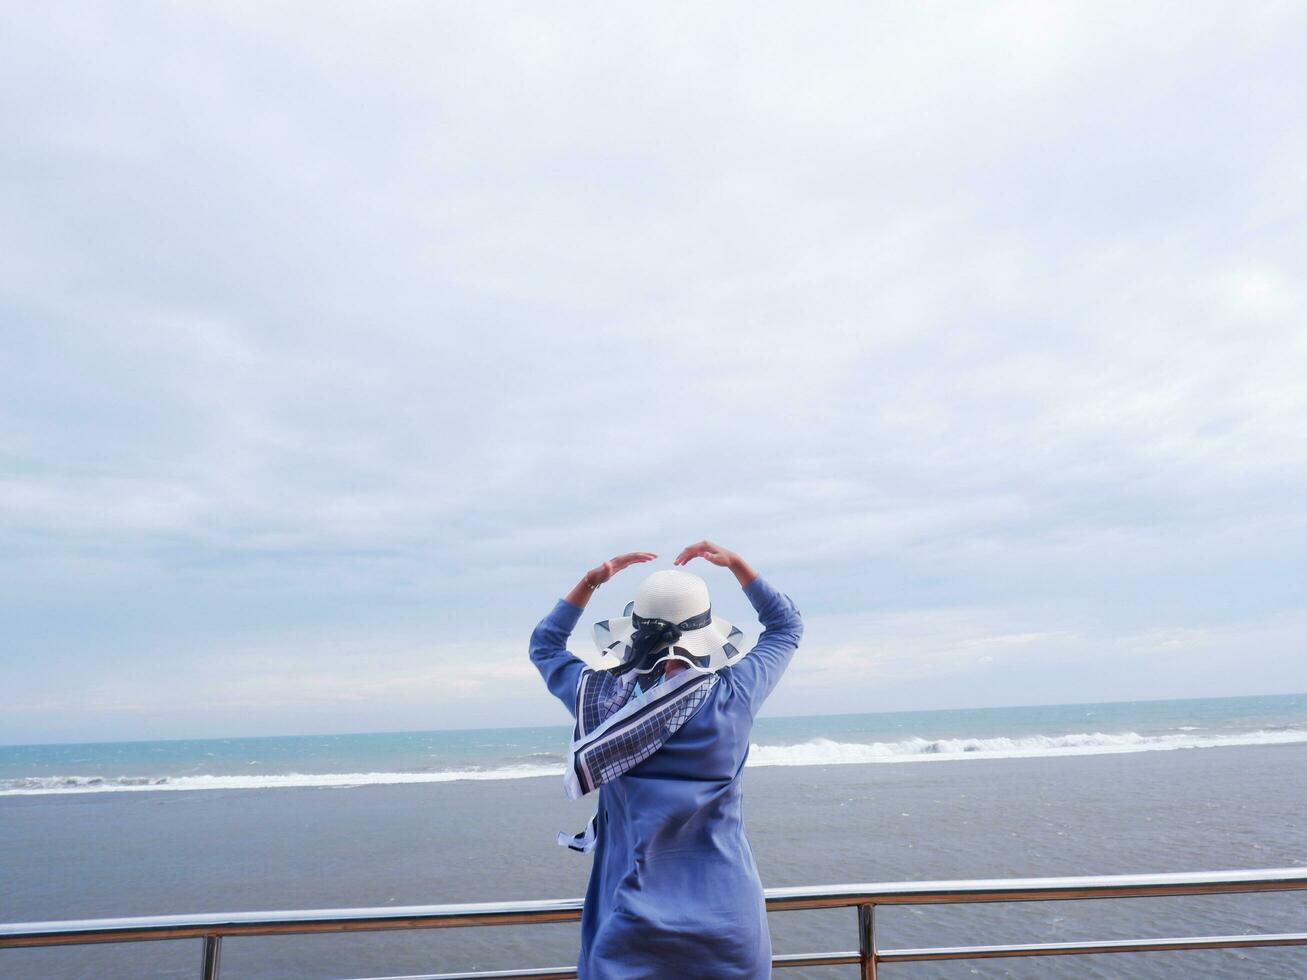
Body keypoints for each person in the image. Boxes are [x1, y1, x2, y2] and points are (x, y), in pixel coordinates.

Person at [529, 540, 803, 979]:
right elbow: (785, 626)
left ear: (633, 631)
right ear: (706, 633)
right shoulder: (734, 696)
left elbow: (545, 646)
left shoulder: (600, 703)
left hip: (627, 920)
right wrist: (736, 565)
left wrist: (590, 582)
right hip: (728, 918)